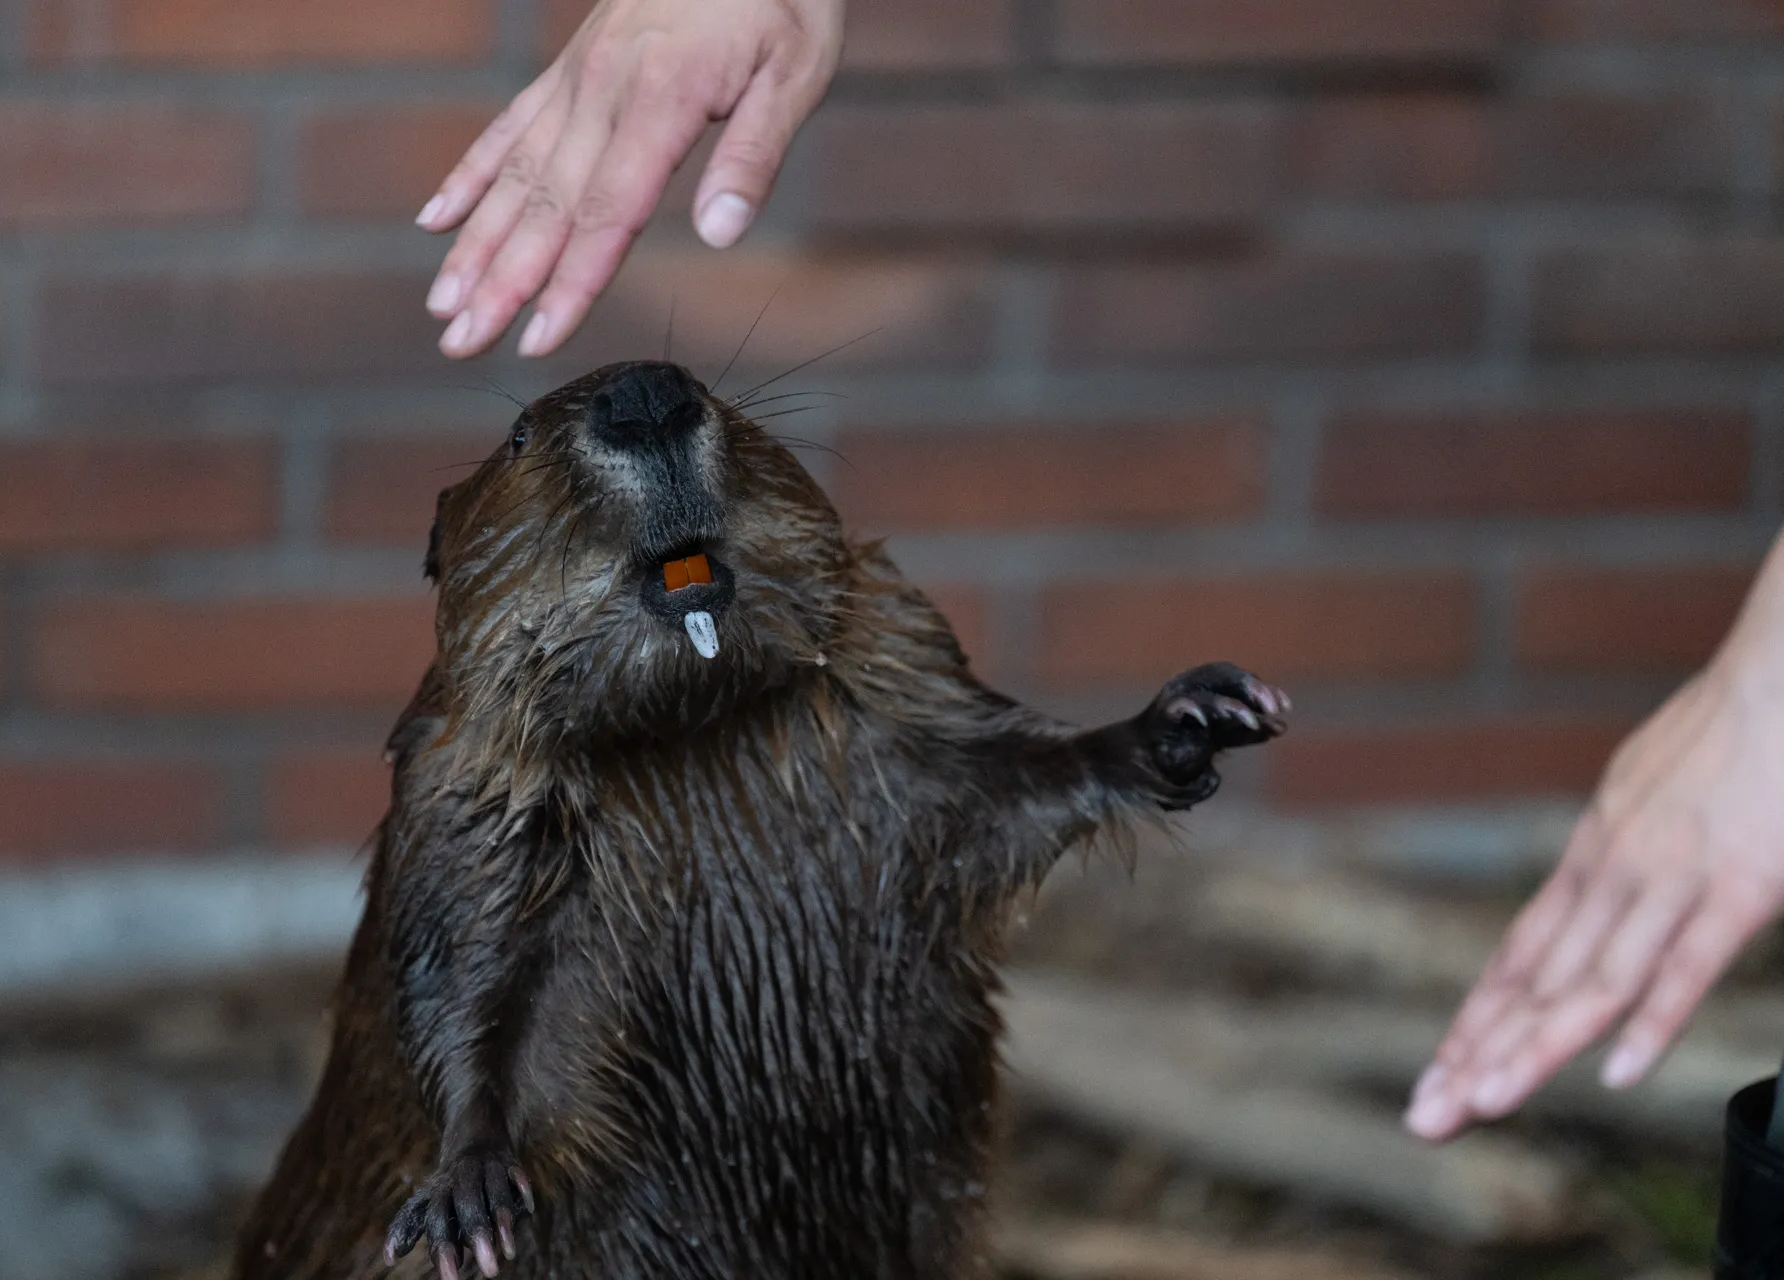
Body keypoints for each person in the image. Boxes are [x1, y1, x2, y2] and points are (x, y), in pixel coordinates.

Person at [412, 0, 1784, 1144]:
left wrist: (1125, 758)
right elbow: (476, 993)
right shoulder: (495, 782)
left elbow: (962, 797)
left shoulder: (849, 650)